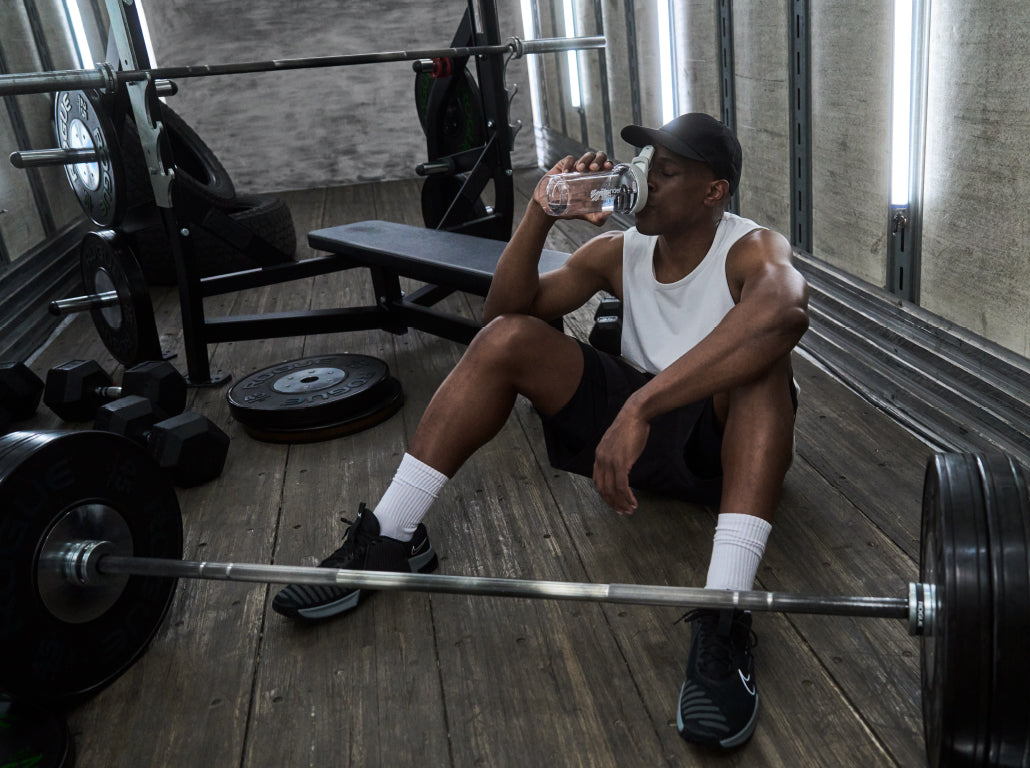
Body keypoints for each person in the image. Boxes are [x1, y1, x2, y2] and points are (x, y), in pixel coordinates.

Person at [271, 112, 809, 750]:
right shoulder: (617, 250)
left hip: (722, 450)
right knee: (506, 340)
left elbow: (784, 311)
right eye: (644, 167)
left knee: (763, 368)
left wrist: (639, 409)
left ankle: (726, 609)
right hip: (634, 427)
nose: (645, 180)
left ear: (713, 191)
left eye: (665, 172)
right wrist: (538, 215)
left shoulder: (751, 247)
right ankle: (391, 532)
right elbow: (502, 320)